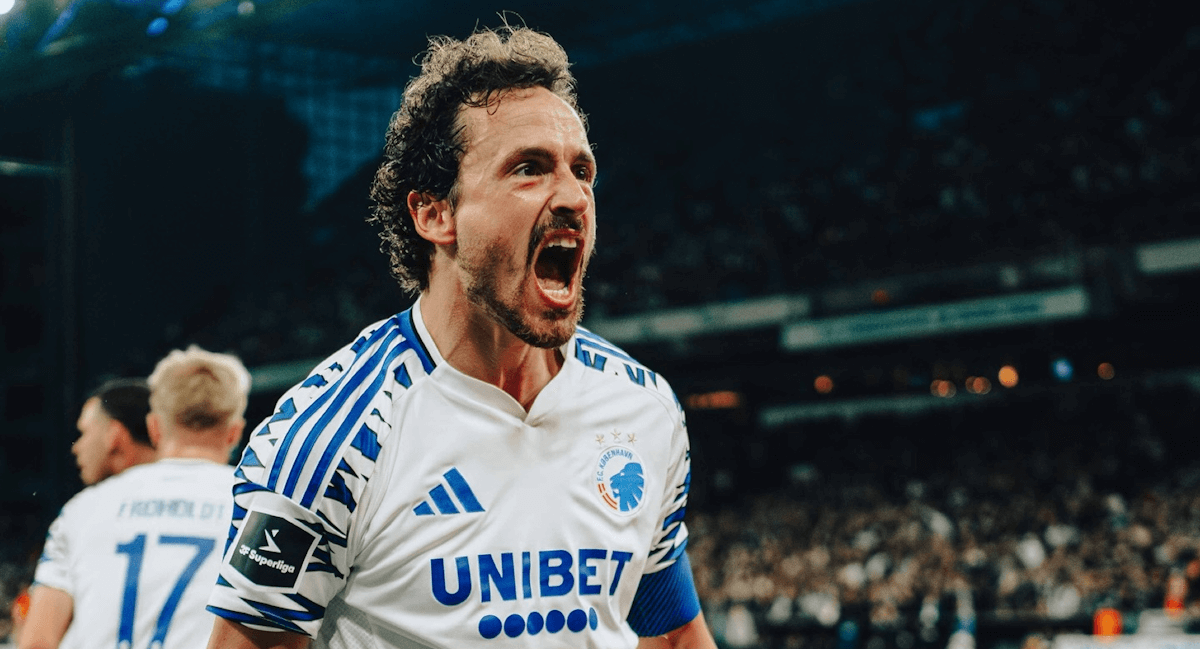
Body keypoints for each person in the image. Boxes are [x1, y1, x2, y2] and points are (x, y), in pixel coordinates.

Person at [205, 24, 716, 649]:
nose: (574, 197)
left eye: (582, 170)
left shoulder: (643, 408)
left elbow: (672, 635)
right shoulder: (332, 440)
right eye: (529, 169)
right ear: (435, 213)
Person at [21, 346, 250, 649]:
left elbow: (37, 642)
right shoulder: (257, 508)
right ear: (235, 432)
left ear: (154, 428)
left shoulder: (82, 509)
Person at [70, 378, 157, 486]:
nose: (75, 448)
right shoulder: (174, 486)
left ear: (113, 434)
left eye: (83, 433)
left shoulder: (93, 497)